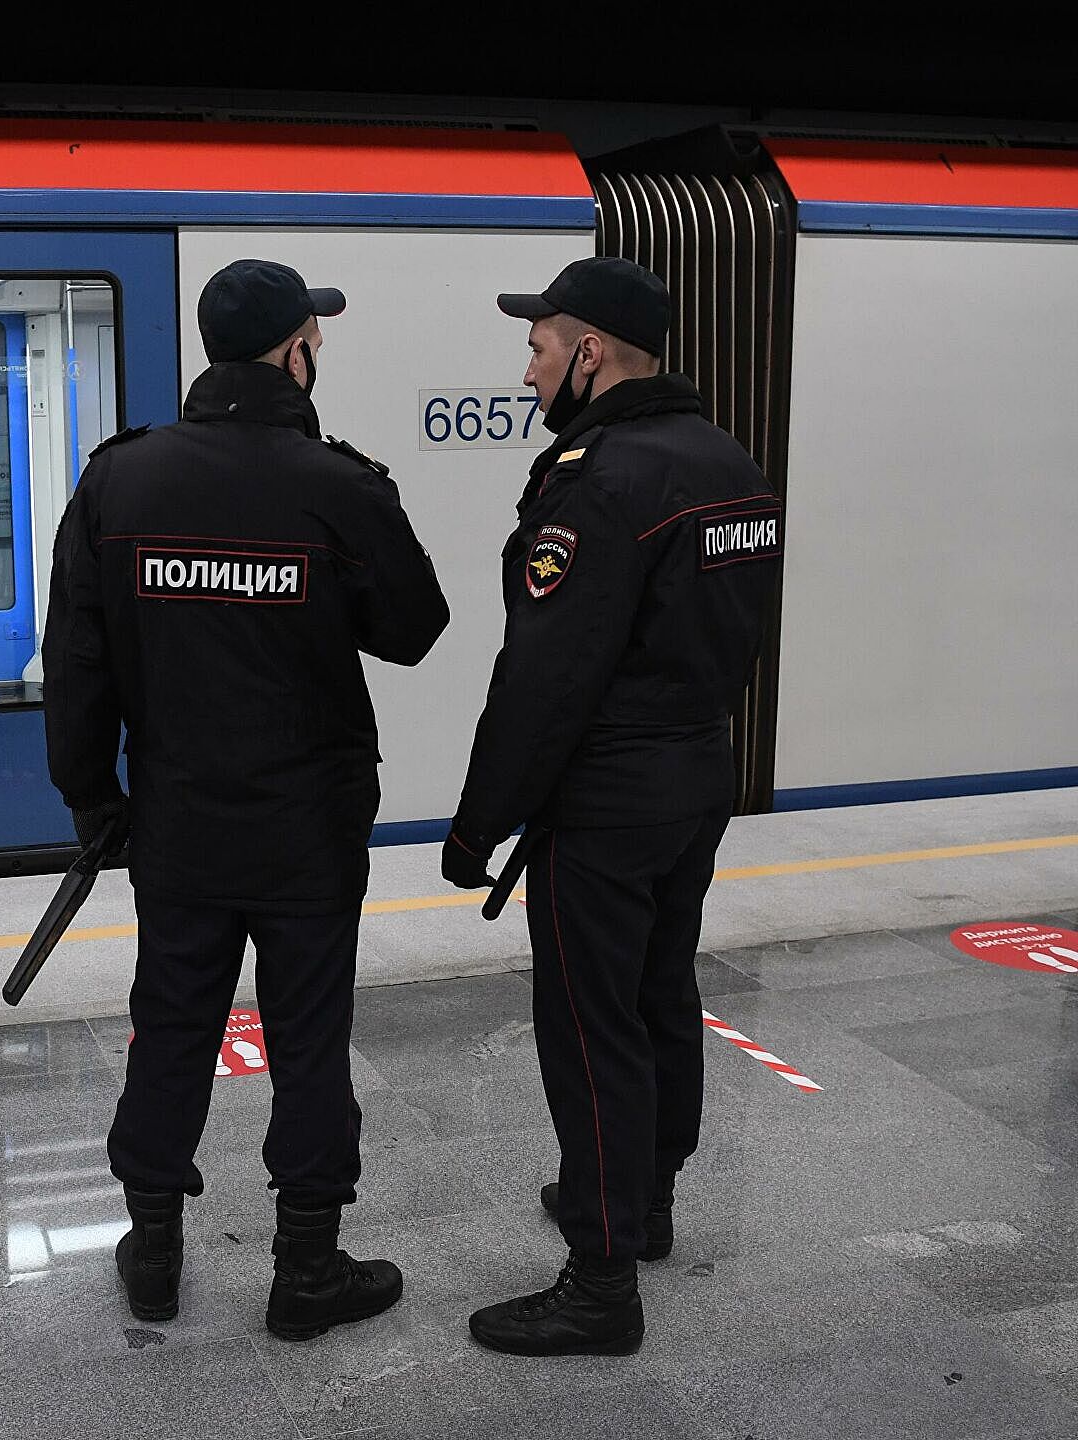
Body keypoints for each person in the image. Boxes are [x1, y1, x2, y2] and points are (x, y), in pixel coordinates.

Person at [43, 259, 450, 1341]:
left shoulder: (119, 482)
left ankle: (155, 1255)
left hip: (178, 818)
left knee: (171, 1023)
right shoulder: (338, 483)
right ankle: (307, 1268)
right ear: (294, 351)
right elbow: (415, 628)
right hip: (310, 826)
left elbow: (77, 665)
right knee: (309, 1035)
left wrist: (96, 801)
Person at [440, 257, 782, 1356]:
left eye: (539, 345)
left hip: (608, 797)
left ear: (589, 353)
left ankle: (599, 1281)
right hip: (697, 778)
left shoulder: (599, 481)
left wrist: (478, 822)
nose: (527, 368)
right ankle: (648, 1203)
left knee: (590, 1027)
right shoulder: (729, 462)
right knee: (658, 992)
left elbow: (547, 675)